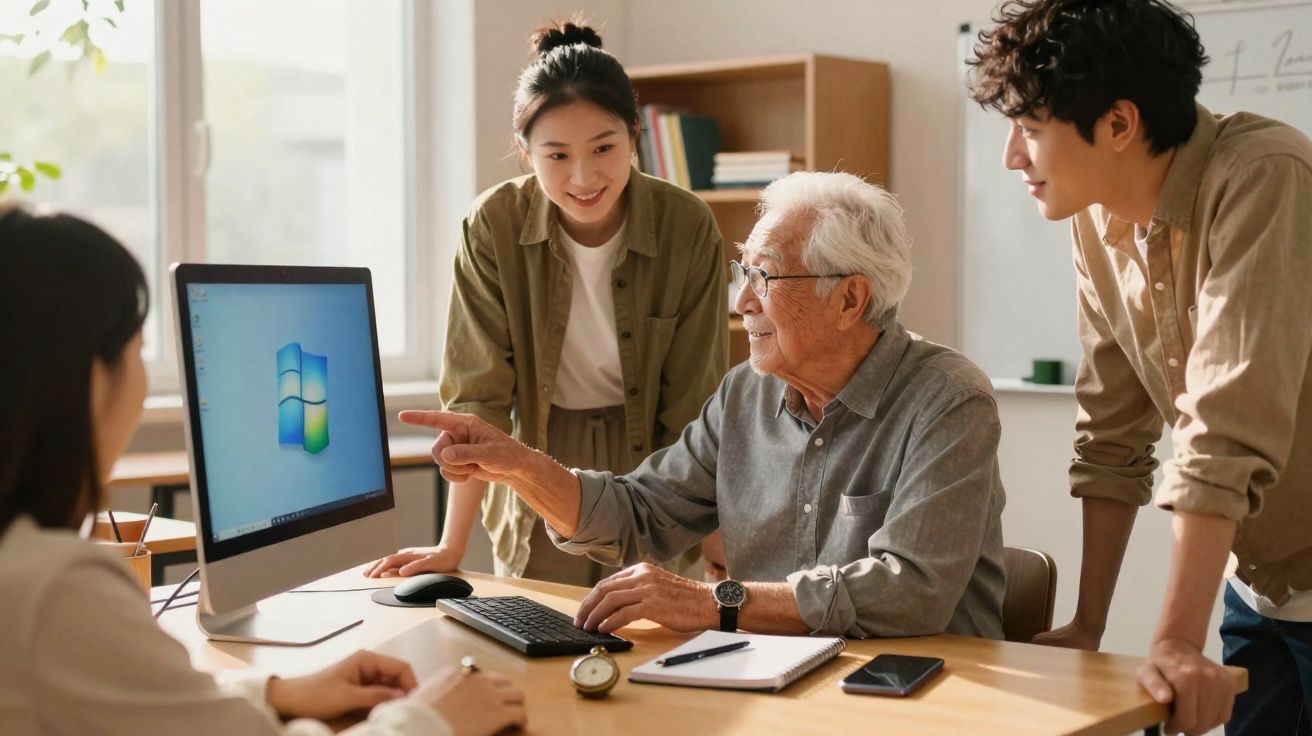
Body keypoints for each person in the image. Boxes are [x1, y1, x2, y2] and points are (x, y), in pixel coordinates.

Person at [397, 171, 1007, 639]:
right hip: (777, 680)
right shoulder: (744, 393)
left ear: (849, 300)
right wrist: (519, 465)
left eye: (765, 277)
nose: (742, 302)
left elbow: (911, 589)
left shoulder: (949, 401)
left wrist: (716, 602)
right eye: (743, 273)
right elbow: (638, 514)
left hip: (925, 689)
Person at [0, 203, 527, 736]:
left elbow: (139, 709)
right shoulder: (57, 593)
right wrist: (431, 719)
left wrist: (273, 693)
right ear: (94, 382)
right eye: (137, 349)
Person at [968, 1, 1312, 734]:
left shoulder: (1265, 175)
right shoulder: (1094, 217)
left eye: (1031, 130)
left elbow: (1226, 423)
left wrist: (1177, 641)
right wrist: (1088, 625)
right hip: (1258, 582)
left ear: (1119, 123)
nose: (1011, 158)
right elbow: (1112, 430)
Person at [366, 19, 728, 587]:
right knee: (541, 627)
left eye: (604, 148)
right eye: (557, 155)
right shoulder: (493, 225)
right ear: (525, 151)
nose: (583, 177)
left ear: (634, 134)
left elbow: (695, 405)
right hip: (535, 457)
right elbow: (478, 399)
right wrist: (450, 545)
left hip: (655, 464)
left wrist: (715, 539)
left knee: (646, 628)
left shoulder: (688, 225)